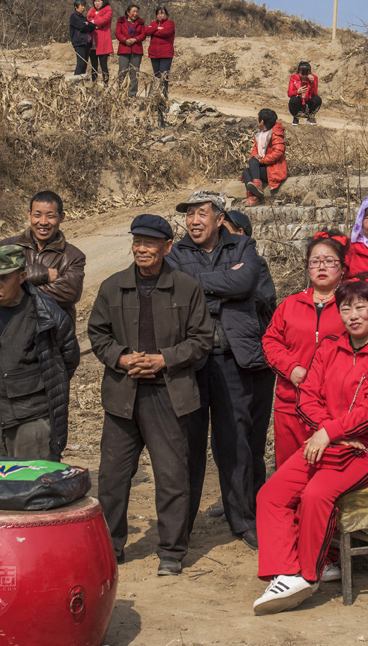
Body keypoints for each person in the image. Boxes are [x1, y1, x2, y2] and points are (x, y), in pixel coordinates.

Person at [254, 279, 368, 616]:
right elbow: (307, 395)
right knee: (271, 494)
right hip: (327, 445)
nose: (353, 315)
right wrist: (327, 432)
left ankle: (308, 574)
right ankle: (286, 570)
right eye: (345, 308)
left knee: (316, 493)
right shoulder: (329, 348)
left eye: (360, 307)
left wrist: (329, 433)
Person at [88, 214, 213, 576]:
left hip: (168, 396)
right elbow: (97, 334)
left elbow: (202, 339)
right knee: (113, 476)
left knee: (172, 476)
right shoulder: (113, 286)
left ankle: (172, 551)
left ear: (166, 247)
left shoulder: (186, 287)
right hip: (123, 396)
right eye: (137, 241)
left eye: (150, 243)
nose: (141, 248)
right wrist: (123, 358)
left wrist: (163, 359)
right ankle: (110, 545)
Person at [167, 190, 268, 549]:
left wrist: (204, 287)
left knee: (235, 442)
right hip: (191, 362)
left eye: (201, 213)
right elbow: (177, 290)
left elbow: (245, 283)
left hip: (232, 358)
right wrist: (223, 286)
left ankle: (243, 520)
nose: (193, 220)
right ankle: (183, 526)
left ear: (219, 217)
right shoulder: (177, 253)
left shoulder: (243, 248)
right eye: (189, 214)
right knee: (188, 446)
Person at [0, 245, 81, 481]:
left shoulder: (47, 311)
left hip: (30, 418)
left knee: (30, 493)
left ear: (22, 276)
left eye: (4, 278)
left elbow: (68, 357)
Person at [261, 231, 347, 468]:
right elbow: (270, 342)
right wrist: (292, 370)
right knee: (289, 470)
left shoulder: (350, 306)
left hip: (332, 406)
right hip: (290, 403)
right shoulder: (290, 304)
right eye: (315, 261)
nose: (322, 266)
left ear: (342, 268)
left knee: (326, 473)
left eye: (329, 261)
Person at [225, 209, 278, 501]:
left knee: (254, 433)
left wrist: (227, 289)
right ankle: (235, 497)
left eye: (228, 230)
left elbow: (260, 297)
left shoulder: (256, 264)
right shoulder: (217, 263)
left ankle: (255, 496)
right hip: (229, 359)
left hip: (258, 359)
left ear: (242, 234)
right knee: (231, 433)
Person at [0, 190, 87, 328]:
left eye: (50, 216)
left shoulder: (73, 256)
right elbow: (1, 286)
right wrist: (43, 274)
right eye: (37, 215)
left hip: (55, 336)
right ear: (29, 215)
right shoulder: (7, 247)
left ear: (62, 217)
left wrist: (18, 287)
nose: (43, 222)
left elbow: (70, 294)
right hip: (14, 331)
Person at [243, 108, 287, 206]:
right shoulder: (259, 134)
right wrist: (256, 156)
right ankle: (252, 196)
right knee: (246, 171)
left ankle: (257, 187)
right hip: (263, 168)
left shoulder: (275, 133)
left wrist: (262, 160)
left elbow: (278, 152)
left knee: (253, 162)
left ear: (262, 121)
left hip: (273, 169)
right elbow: (255, 149)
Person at [143, 5, 176, 100]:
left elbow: (166, 32)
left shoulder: (170, 23)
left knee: (163, 77)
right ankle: (156, 96)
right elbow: (146, 31)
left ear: (166, 14)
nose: (160, 15)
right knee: (156, 76)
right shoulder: (154, 23)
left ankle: (164, 97)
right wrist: (157, 28)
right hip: (154, 54)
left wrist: (153, 31)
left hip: (165, 54)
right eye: (158, 13)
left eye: (162, 13)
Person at [115, 4, 146, 96]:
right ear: (128, 12)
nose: (135, 13)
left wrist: (136, 39)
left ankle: (132, 93)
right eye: (133, 11)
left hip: (136, 50)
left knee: (134, 72)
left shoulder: (141, 23)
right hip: (124, 49)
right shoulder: (121, 21)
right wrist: (125, 40)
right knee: (122, 71)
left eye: (137, 11)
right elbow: (118, 33)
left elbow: (143, 34)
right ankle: (121, 92)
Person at [87, 0, 114, 84]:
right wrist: (95, 24)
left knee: (103, 65)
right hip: (92, 41)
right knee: (93, 65)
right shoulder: (91, 11)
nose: (97, 3)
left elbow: (104, 20)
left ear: (103, 1)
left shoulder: (108, 10)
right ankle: (94, 84)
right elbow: (88, 22)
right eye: (95, 1)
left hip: (102, 41)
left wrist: (93, 22)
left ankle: (106, 84)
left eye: (99, 1)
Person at [287, 61, 321, 125]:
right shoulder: (293, 77)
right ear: (299, 72)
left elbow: (314, 93)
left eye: (306, 74)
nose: (304, 76)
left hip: (308, 100)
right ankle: (296, 117)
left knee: (317, 99)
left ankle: (311, 117)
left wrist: (312, 83)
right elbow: (289, 93)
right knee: (293, 100)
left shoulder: (314, 78)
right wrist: (297, 92)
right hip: (299, 100)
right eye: (302, 74)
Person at [70, 0, 96, 76]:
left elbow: (93, 26)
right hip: (79, 42)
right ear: (76, 6)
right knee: (80, 64)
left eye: (84, 6)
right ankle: (75, 83)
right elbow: (81, 27)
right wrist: (87, 25)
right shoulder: (74, 16)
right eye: (82, 6)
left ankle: (81, 83)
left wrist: (88, 24)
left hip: (87, 43)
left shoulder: (83, 18)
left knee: (84, 65)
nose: (83, 8)